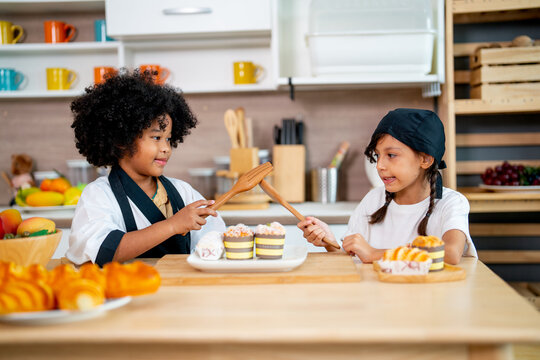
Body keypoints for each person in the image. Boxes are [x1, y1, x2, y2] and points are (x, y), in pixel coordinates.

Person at [67, 70, 225, 266]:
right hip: (127, 292)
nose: (166, 148)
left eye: (168, 139)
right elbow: (103, 250)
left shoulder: (182, 192)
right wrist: (173, 225)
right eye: (156, 138)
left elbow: (214, 238)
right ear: (121, 140)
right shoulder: (99, 195)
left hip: (181, 289)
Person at [298, 108, 477, 264]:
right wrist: (330, 243)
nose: (379, 165)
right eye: (377, 156)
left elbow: (451, 254)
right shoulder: (373, 200)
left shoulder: (451, 203)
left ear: (425, 159)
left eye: (391, 155)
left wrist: (375, 253)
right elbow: (355, 259)